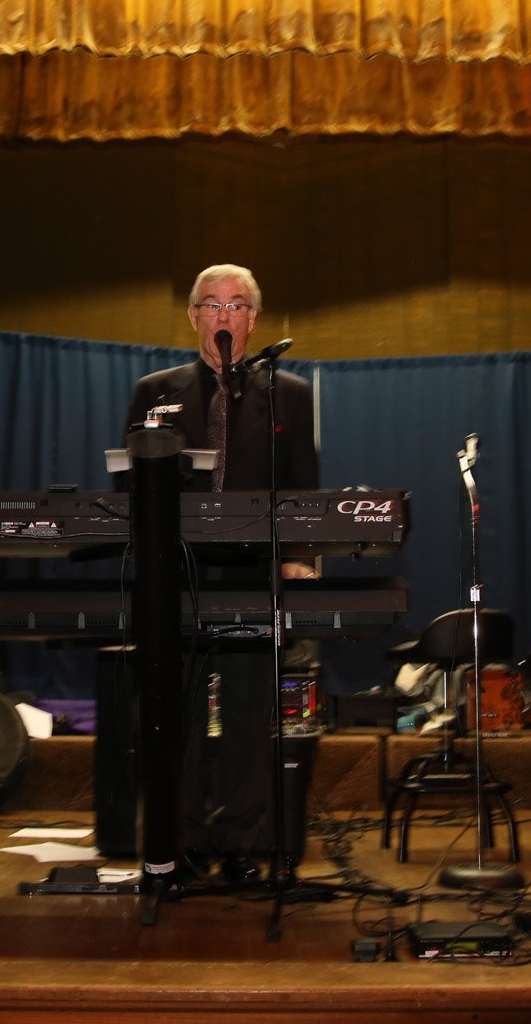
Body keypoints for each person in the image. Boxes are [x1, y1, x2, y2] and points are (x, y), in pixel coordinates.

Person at [124, 264, 319, 885]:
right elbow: (129, 485)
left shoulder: (288, 393)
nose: (223, 315)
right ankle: (177, 843)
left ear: (253, 320)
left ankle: (240, 843)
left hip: (253, 572)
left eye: (236, 305)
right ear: (193, 316)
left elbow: (303, 484)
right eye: (211, 305)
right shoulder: (155, 391)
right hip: (173, 572)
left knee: (246, 715)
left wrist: (297, 555)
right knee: (174, 714)